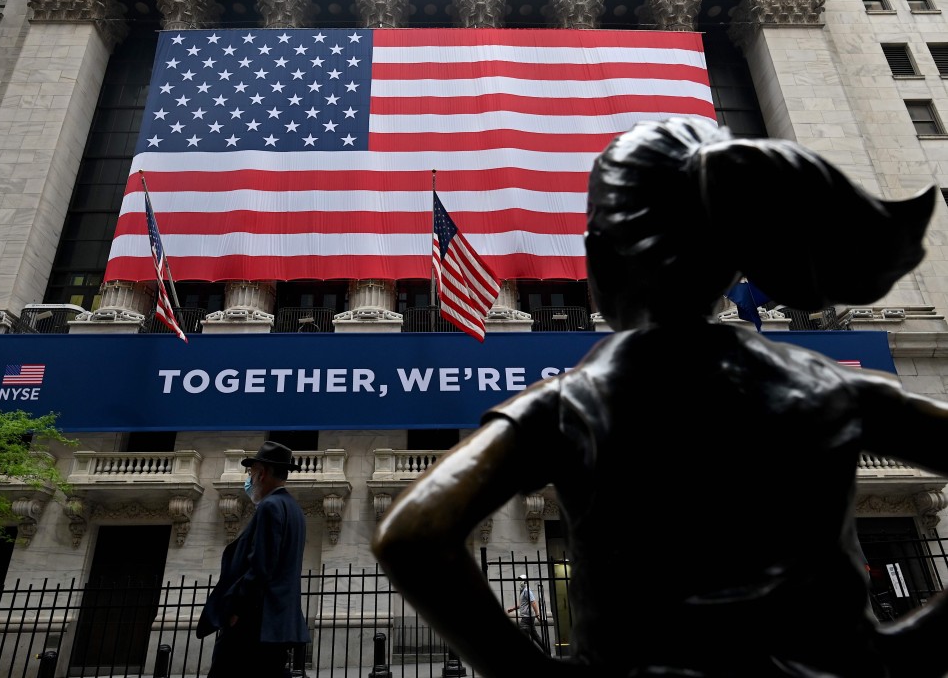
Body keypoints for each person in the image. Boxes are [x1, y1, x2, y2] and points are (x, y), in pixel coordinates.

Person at [371, 116, 948, 678]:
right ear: (731, 263)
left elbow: (413, 534)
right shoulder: (835, 386)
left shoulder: (571, 403)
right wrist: (904, 649)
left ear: (598, 258)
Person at [197, 441, 310, 678]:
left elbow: (261, 566)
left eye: (251, 472)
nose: (249, 478)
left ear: (262, 473)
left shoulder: (270, 506)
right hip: (276, 623)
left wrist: (237, 609)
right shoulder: (294, 509)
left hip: (255, 621)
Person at [507, 574, 549, 654]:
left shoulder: (527, 590)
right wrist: (513, 608)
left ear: (525, 581)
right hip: (527, 617)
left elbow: (533, 602)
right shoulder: (523, 591)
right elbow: (523, 604)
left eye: (521, 580)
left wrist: (537, 615)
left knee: (524, 634)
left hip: (527, 618)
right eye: (519, 580)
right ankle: (547, 652)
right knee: (535, 636)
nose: (520, 582)